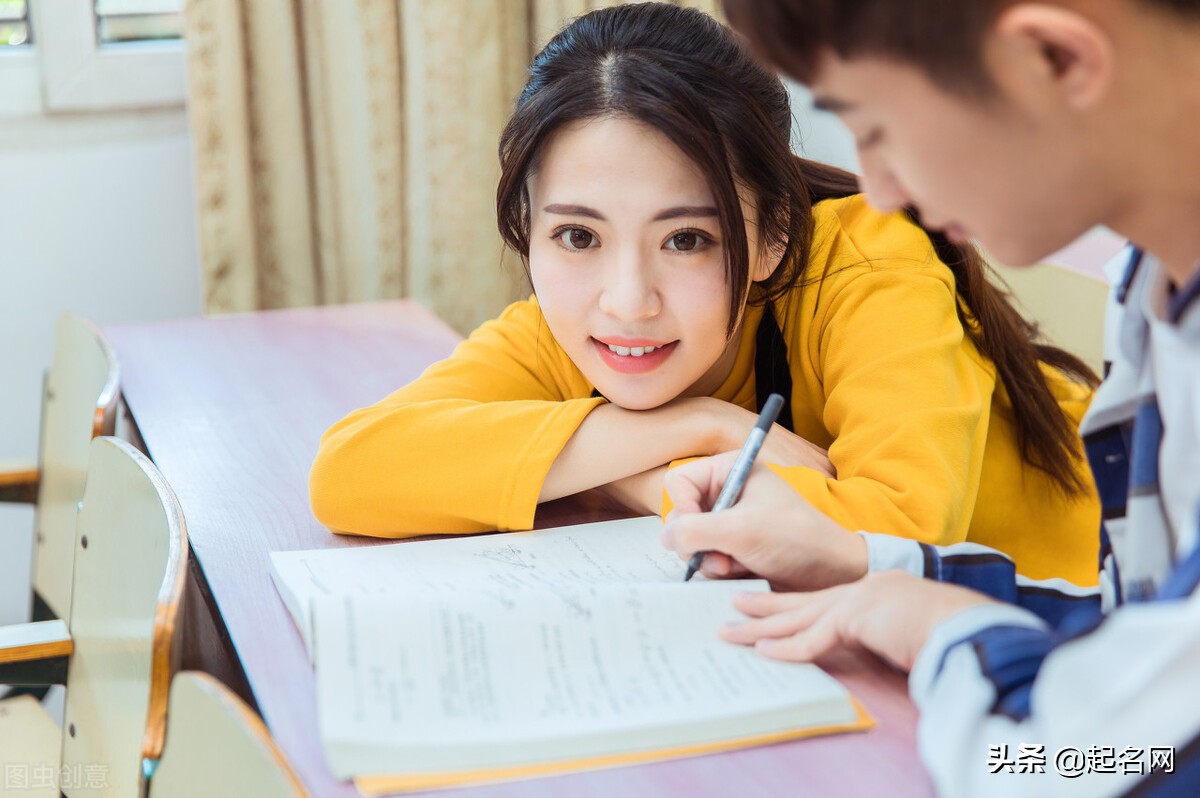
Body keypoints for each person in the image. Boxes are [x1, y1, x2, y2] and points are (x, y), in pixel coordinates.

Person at [308, 2, 1102, 585]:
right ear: (529, 228)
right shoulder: (559, 332)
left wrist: (607, 467)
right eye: (578, 236)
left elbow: (899, 535)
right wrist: (697, 428)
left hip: (1092, 617)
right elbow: (353, 471)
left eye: (686, 239)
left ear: (773, 234)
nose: (627, 302)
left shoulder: (866, 265)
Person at [662, 0, 1200, 793]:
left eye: (875, 128)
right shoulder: (1155, 287)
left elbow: (1062, 768)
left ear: (1053, 59)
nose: (879, 190)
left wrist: (947, 628)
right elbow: (1145, 639)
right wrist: (881, 572)